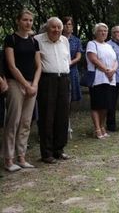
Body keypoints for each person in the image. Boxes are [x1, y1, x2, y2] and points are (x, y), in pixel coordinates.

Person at [3, 9, 41, 171]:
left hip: (32, 85)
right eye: (25, 20)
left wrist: (34, 85)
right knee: (13, 121)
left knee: (26, 122)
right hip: (16, 84)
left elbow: (39, 65)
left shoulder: (34, 42)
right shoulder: (11, 39)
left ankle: (22, 156)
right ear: (18, 21)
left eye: (31, 20)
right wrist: (25, 85)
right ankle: (8, 159)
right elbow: (11, 66)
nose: (28, 23)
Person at [35, 17, 72, 163]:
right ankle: (47, 153)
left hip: (63, 79)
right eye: (53, 27)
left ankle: (59, 149)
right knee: (47, 116)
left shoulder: (65, 40)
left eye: (59, 27)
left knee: (62, 115)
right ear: (47, 28)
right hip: (47, 80)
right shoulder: (37, 40)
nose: (56, 30)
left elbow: (67, 60)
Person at [86, 23, 118, 139]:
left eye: (105, 30)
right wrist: (106, 70)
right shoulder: (92, 44)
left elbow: (115, 60)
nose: (103, 32)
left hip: (110, 79)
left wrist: (113, 70)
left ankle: (102, 126)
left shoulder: (109, 46)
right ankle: (97, 128)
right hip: (98, 79)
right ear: (96, 32)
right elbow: (93, 59)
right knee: (97, 105)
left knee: (106, 105)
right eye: (101, 30)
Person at [62, 16, 83, 103]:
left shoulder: (76, 40)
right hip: (60, 69)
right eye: (65, 24)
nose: (67, 26)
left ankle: (68, 115)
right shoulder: (58, 39)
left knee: (71, 95)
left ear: (72, 26)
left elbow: (78, 56)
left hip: (72, 69)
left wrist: (70, 63)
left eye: (69, 24)